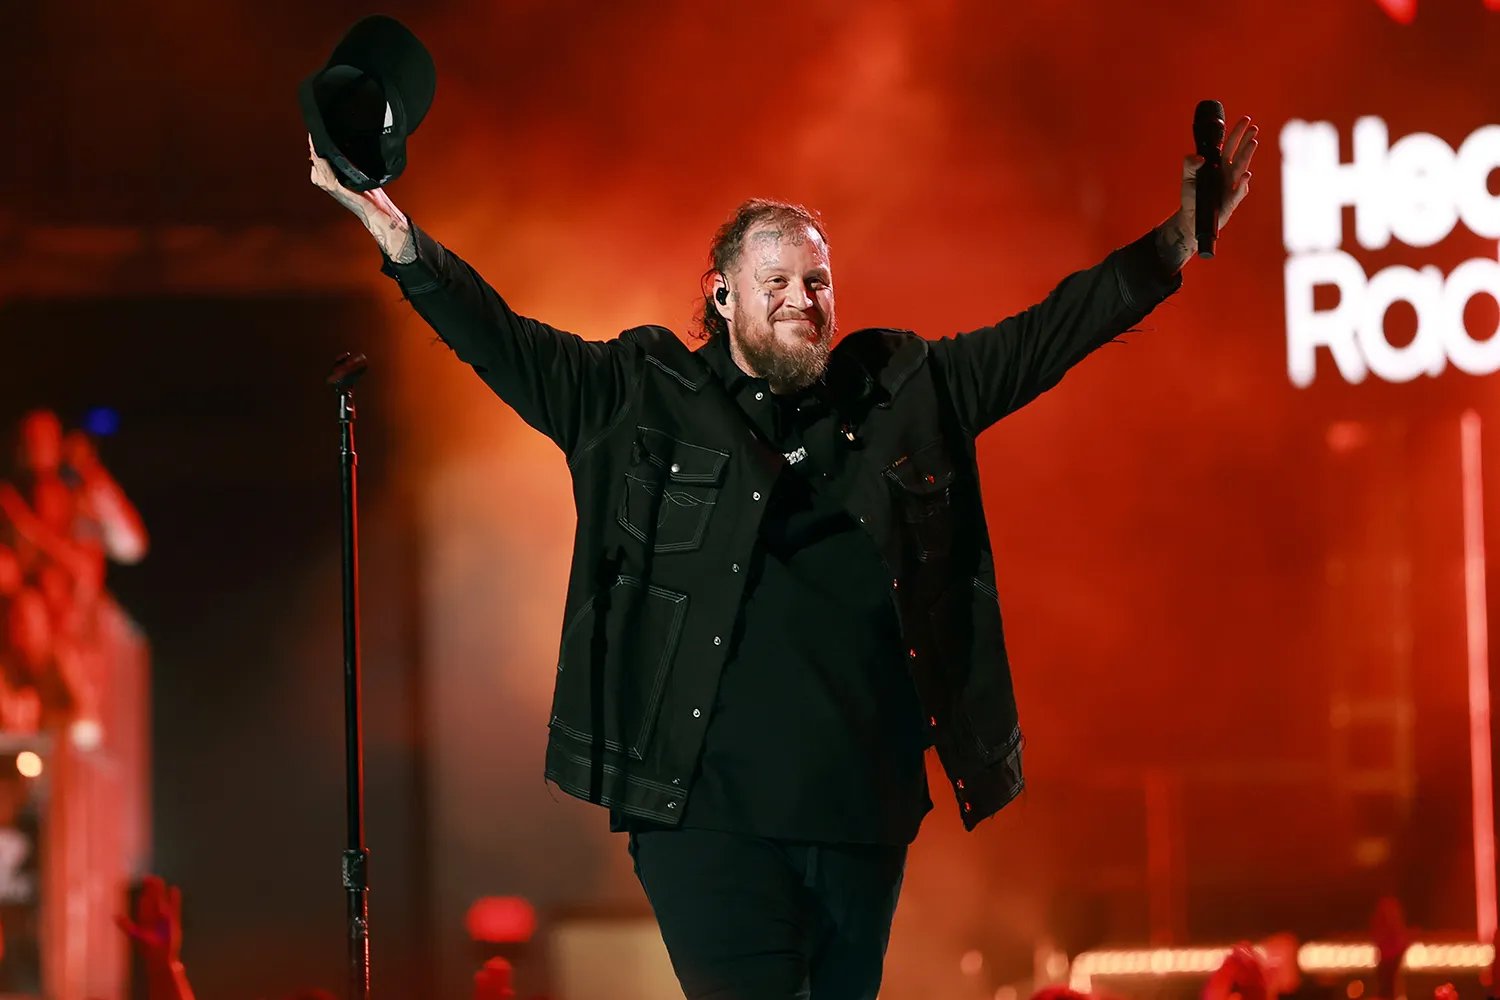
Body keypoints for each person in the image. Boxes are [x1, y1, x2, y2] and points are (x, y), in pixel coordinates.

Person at [310, 108, 1256, 1000]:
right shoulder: (641, 396)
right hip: (706, 817)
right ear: (723, 295)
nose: (805, 302)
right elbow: (503, 340)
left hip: (862, 813)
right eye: (778, 285)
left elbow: (1048, 334)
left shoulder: (901, 389)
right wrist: (395, 233)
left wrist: (1173, 244)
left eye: (817, 281)